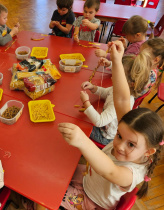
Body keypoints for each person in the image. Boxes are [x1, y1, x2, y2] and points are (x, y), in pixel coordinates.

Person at [58, 41, 164, 209]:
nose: (118, 146)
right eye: (119, 135)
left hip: (92, 200)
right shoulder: (131, 131)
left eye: (130, 144)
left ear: (148, 151)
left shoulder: (131, 174)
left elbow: (110, 171)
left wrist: (83, 141)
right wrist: (116, 59)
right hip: (88, 178)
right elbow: (121, 98)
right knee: (57, 169)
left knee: (48, 196)